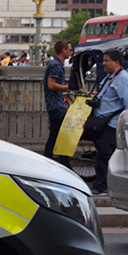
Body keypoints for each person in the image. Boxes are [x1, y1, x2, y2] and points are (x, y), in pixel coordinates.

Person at [89, 49, 128, 195]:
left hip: (113, 125)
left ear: (116, 62)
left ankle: (101, 186)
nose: (103, 63)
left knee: (104, 155)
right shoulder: (111, 77)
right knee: (104, 155)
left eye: (106, 60)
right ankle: (104, 184)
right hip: (104, 124)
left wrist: (120, 125)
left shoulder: (123, 79)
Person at [43, 39, 72, 167]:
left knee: (56, 137)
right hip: (56, 106)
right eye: (70, 49)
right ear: (63, 50)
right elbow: (51, 85)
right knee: (59, 137)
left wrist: (69, 94)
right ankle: (59, 165)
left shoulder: (56, 64)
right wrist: (68, 88)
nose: (71, 52)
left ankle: (52, 163)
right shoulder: (56, 65)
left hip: (56, 105)